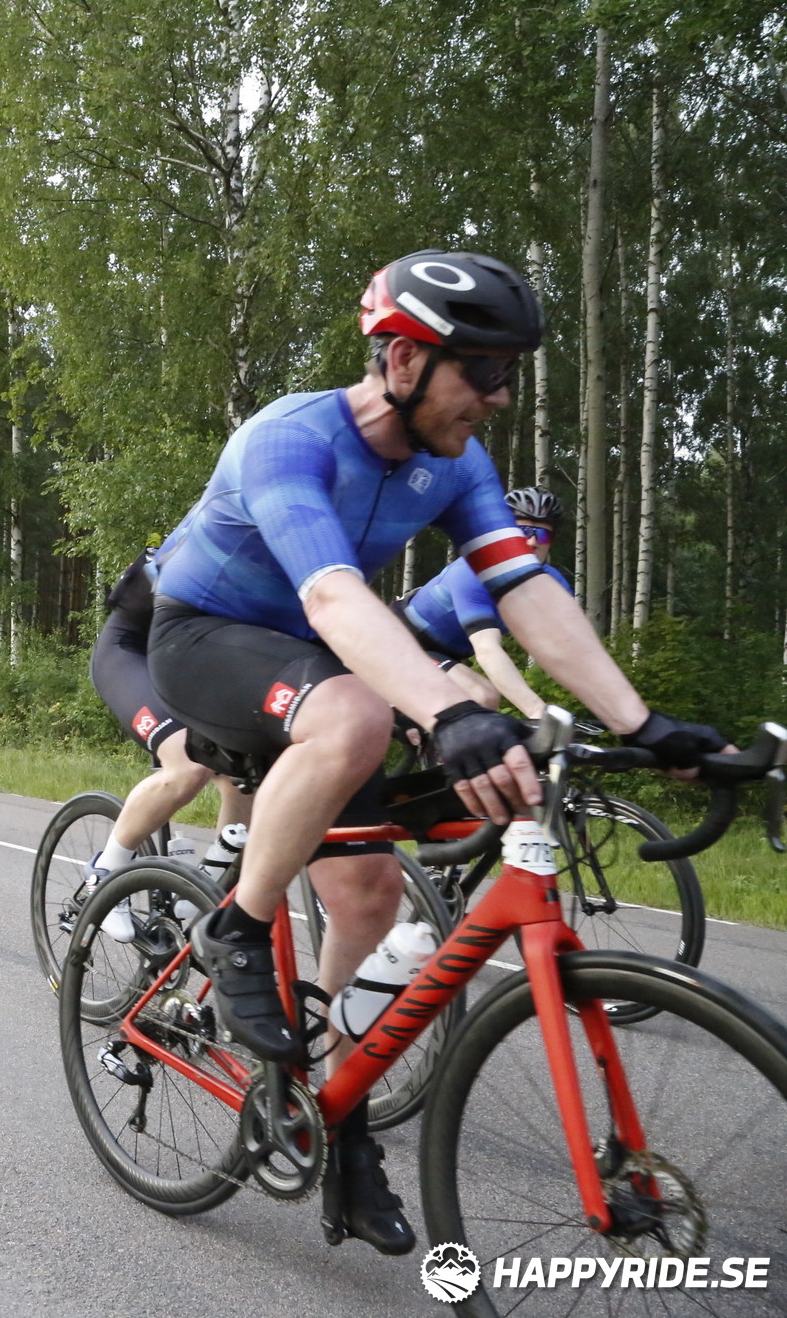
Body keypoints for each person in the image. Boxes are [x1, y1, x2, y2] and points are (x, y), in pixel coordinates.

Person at [145, 248, 729, 1256]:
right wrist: (444, 710)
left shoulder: (457, 462)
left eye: (510, 373)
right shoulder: (290, 437)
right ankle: (236, 928)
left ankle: (335, 1115)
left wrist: (641, 723)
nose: (499, 396)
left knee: (371, 894)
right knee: (361, 716)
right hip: (204, 639)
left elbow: (524, 590)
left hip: (315, 660)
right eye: (484, 370)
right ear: (404, 359)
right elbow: (333, 595)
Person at [84, 546, 252, 882]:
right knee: (189, 767)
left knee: (248, 773)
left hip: (195, 664)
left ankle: (212, 889)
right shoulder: (218, 537)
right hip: (132, 655)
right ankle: (105, 873)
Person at [394, 487, 572, 719]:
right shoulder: (471, 572)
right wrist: (537, 711)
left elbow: (574, 648)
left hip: (446, 654)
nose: (531, 541)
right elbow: (487, 650)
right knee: (482, 695)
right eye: (522, 530)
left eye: (543, 534)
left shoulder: (551, 583)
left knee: (475, 718)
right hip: (400, 640)